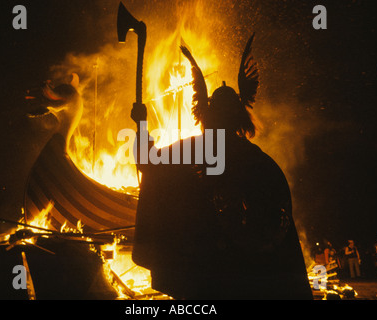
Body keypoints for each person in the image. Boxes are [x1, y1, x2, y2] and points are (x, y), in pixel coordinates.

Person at [131, 34, 312, 299]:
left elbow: (148, 161)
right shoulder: (262, 163)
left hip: (203, 275)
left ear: (205, 113)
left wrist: (142, 124)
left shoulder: (193, 150)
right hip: (248, 279)